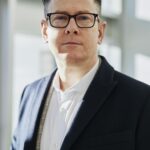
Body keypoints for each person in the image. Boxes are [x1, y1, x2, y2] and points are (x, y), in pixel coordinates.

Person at [11, 0, 150, 149]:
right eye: (60, 18)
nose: (72, 28)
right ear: (45, 31)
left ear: (100, 32)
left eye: (83, 18)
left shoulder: (141, 100)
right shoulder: (29, 95)